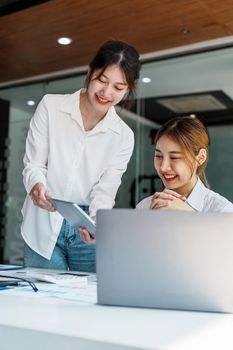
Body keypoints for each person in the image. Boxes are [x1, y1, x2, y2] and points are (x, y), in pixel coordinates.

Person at [21, 40, 141, 272]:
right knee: (43, 304)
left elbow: (105, 190)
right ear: (90, 72)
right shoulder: (51, 107)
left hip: (85, 226)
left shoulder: (123, 136)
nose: (106, 93)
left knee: (86, 303)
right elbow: (34, 163)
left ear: (128, 88)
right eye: (101, 80)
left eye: (118, 87)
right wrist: (36, 185)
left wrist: (96, 221)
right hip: (43, 220)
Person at [137, 115, 233, 212]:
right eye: (158, 156)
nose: (163, 167)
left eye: (174, 157)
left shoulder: (222, 210)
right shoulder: (145, 207)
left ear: (200, 158)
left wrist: (189, 214)